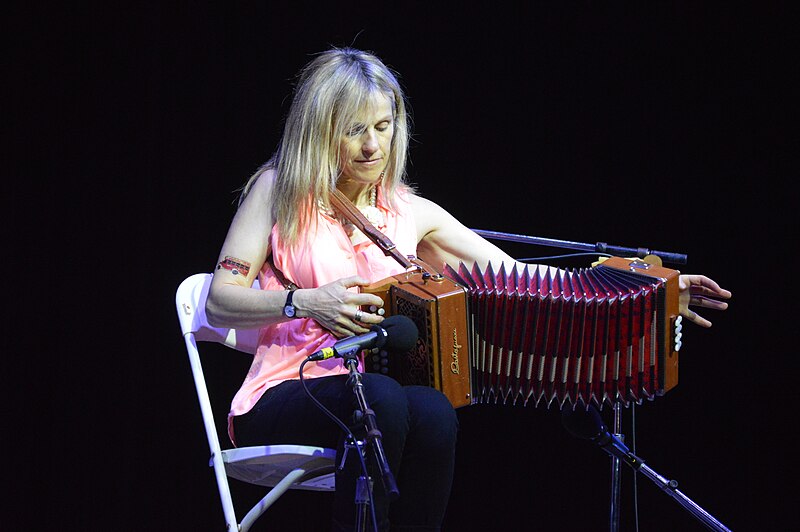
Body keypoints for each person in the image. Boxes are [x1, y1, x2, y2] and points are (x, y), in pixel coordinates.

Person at [205, 47, 731, 532]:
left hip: (373, 398)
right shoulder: (277, 190)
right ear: (320, 132)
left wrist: (651, 295)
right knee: (385, 398)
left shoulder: (410, 213)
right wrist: (305, 301)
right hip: (283, 391)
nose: (372, 146)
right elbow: (221, 298)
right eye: (354, 130)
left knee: (434, 409)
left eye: (384, 127)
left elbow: (528, 279)